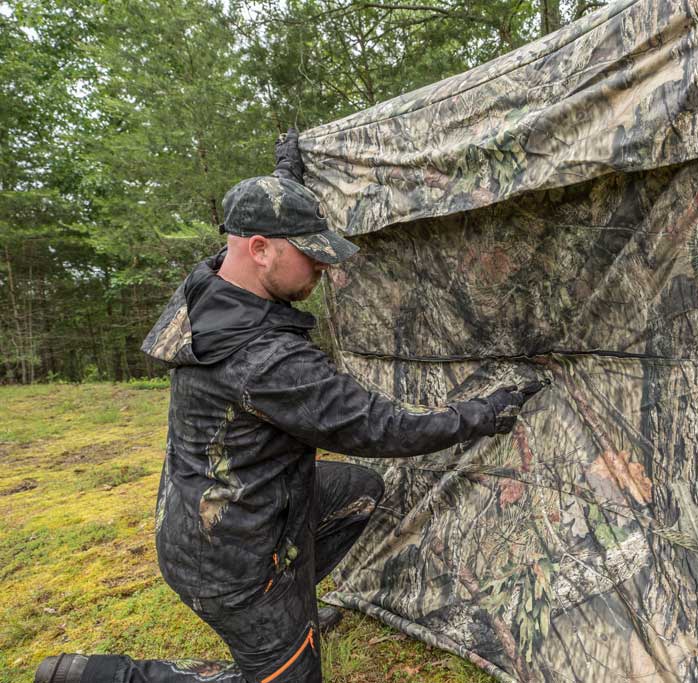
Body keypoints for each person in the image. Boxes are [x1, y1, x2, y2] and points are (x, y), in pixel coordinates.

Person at [35, 130, 543, 683]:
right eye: (312, 258)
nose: (323, 272)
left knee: (360, 494)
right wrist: (488, 411)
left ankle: (290, 614)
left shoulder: (212, 285)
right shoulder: (267, 361)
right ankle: (111, 677)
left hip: (219, 509)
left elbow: (262, 223)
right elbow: (383, 428)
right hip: (229, 561)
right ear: (260, 249)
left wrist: (286, 175)